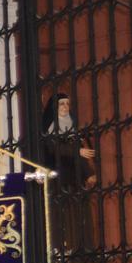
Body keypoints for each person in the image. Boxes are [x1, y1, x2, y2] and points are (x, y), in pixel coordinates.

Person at [42, 93, 97, 254]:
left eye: (67, 104)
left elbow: (81, 155)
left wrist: (88, 173)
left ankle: (82, 250)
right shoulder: (51, 127)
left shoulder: (72, 125)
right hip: (59, 177)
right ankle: (63, 251)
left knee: (80, 213)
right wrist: (77, 151)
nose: (66, 107)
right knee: (63, 215)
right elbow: (53, 149)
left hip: (75, 177)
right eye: (61, 104)